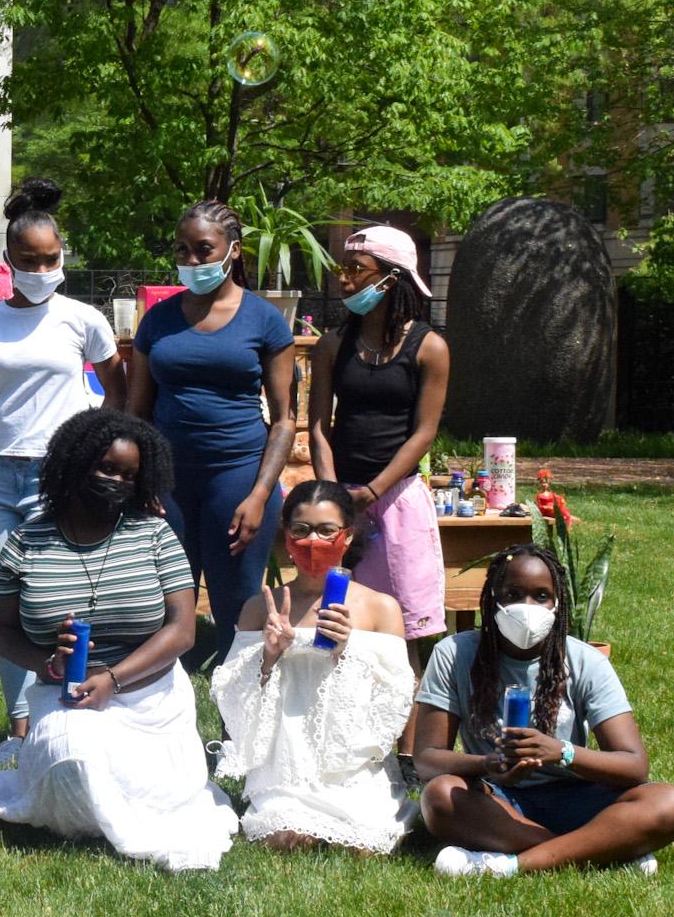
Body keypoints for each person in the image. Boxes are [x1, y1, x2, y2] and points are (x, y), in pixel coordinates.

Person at [0, 409, 238, 871]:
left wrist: (115, 680)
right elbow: (2, 631)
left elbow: (182, 630)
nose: (117, 481)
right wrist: (47, 663)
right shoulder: (25, 542)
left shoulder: (154, 534)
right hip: (67, 698)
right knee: (72, 760)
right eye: (107, 468)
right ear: (75, 463)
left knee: (151, 793)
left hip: (151, 701)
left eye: (130, 475)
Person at [0, 178, 124, 767]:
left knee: (60, 597)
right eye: (29, 261)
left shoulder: (83, 319)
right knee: (6, 597)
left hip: (62, 475)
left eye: (51, 259)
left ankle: (64, 713)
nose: (43, 269)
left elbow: (118, 396)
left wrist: (105, 460)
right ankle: (20, 727)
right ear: (9, 260)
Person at [413, 545, 674, 876]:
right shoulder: (453, 654)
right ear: (492, 599)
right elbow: (427, 758)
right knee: (439, 796)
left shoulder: (585, 660)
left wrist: (561, 752)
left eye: (540, 596)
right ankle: (599, 849)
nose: (526, 607)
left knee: (671, 802)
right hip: (497, 800)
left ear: (557, 604)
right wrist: (489, 763)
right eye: (513, 594)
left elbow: (634, 765)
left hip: (574, 796)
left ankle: (513, 865)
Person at [129, 199, 296, 661]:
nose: (192, 261)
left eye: (204, 249)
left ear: (234, 251)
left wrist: (260, 495)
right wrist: (143, 483)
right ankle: (166, 726)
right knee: (165, 615)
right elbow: (136, 411)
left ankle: (237, 730)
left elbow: (284, 419)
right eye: (183, 250)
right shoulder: (157, 321)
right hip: (169, 485)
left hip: (238, 480)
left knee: (237, 613)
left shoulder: (265, 320)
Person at [210, 482, 418, 853]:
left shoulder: (380, 607)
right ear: (287, 536)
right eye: (301, 530)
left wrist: (345, 651)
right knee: (286, 839)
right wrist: (268, 657)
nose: (312, 541)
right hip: (285, 761)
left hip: (349, 761)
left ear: (347, 536)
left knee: (363, 844)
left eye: (326, 531)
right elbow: (233, 696)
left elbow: (396, 695)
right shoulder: (261, 607)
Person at [307, 225, 449, 643]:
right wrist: (332, 496)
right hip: (341, 502)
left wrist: (373, 491)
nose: (344, 279)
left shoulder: (429, 348)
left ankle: (412, 709)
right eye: (342, 268)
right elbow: (319, 426)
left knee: (406, 633)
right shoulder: (332, 345)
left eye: (356, 269)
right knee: (340, 625)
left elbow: (424, 434)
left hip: (398, 501)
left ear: (392, 278)